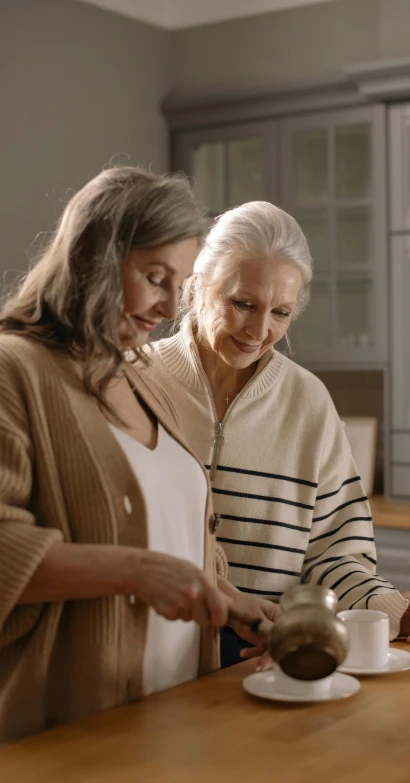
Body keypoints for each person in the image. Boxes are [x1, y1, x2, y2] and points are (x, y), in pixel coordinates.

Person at [0, 168, 277, 744]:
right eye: (155, 277)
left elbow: (176, 537)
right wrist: (137, 571)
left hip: (179, 716)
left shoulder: (142, 377)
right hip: (72, 732)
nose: (169, 305)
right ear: (92, 259)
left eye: (180, 284)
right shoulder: (13, 370)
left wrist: (236, 603)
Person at [145, 200, 410, 666]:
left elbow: (333, 553)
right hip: (143, 662)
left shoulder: (309, 402)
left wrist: (388, 608)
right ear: (196, 283)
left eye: (281, 313)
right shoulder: (136, 380)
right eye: (243, 304)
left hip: (262, 663)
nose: (259, 330)